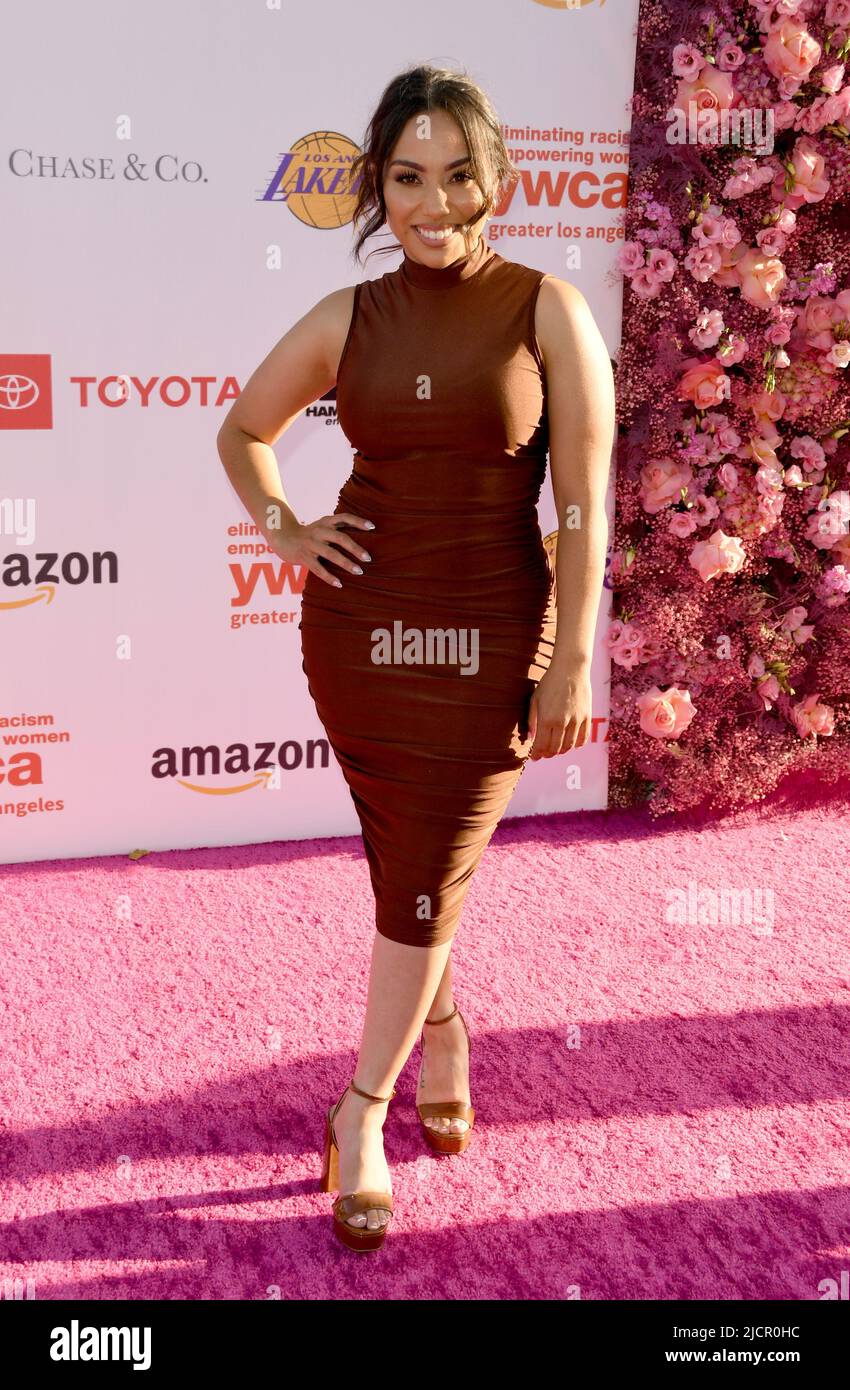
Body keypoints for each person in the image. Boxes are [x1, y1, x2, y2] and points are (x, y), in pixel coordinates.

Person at [217, 64, 614, 1252]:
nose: (433, 203)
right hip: (360, 633)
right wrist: (285, 527)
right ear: (376, 190)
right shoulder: (351, 317)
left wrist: (572, 659)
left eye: (456, 175)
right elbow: (243, 428)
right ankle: (431, 1039)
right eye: (406, 178)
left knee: (428, 856)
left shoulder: (548, 309)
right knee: (412, 863)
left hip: (494, 636)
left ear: (496, 177)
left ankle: (359, 1109)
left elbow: (584, 506)